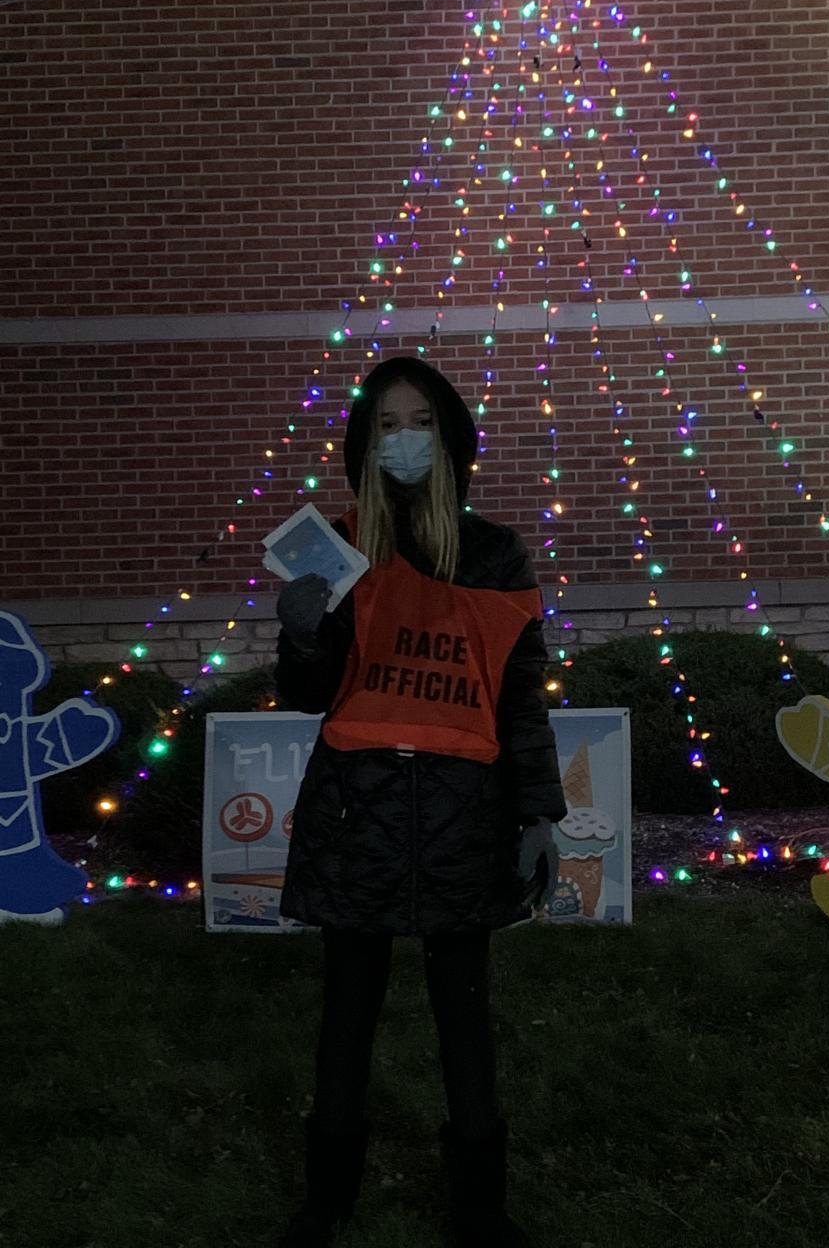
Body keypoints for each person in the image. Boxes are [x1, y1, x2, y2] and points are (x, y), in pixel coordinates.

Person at [273, 355, 567, 1248]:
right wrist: (301, 635)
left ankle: (480, 1207)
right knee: (346, 1013)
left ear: (452, 437)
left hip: (461, 818)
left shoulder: (495, 554)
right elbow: (310, 696)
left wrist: (539, 813)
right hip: (356, 813)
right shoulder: (340, 550)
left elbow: (519, 698)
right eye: (387, 426)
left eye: (421, 422)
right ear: (365, 445)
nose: (404, 441)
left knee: (464, 1016)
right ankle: (327, 1199)